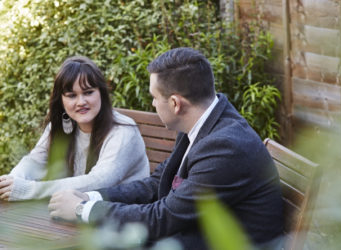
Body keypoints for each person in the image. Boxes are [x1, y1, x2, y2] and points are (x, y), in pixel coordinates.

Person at [47, 48, 284, 249]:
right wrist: (91, 196)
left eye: (154, 97)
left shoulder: (225, 148)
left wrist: (83, 210)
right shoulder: (203, 122)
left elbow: (163, 218)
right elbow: (155, 184)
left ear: (175, 103)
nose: (152, 103)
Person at [0, 56, 150, 201]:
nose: (81, 102)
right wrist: (12, 180)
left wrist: (28, 190)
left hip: (123, 218)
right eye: (71, 95)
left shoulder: (124, 132)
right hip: (78, 212)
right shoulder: (62, 125)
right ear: (61, 100)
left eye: (88, 92)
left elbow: (99, 181)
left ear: (101, 93)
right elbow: (35, 161)